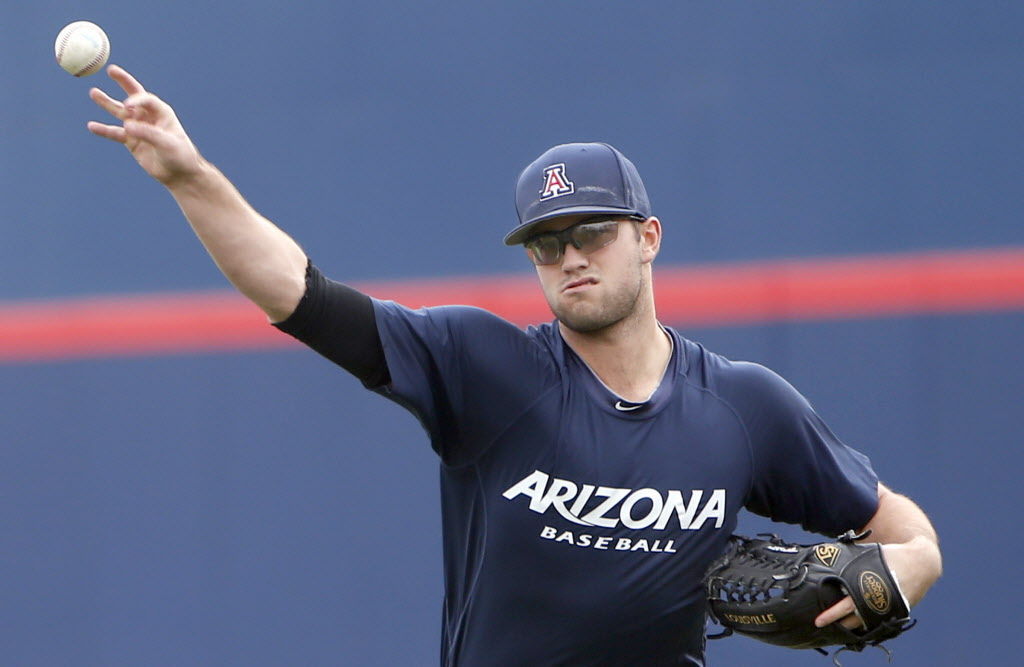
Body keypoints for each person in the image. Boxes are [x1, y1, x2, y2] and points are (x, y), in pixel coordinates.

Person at [87, 64, 941, 666]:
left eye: (591, 233)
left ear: (648, 238)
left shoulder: (747, 407)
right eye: (546, 243)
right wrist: (190, 178)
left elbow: (908, 536)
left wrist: (904, 569)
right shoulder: (485, 369)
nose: (569, 257)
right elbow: (302, 297)